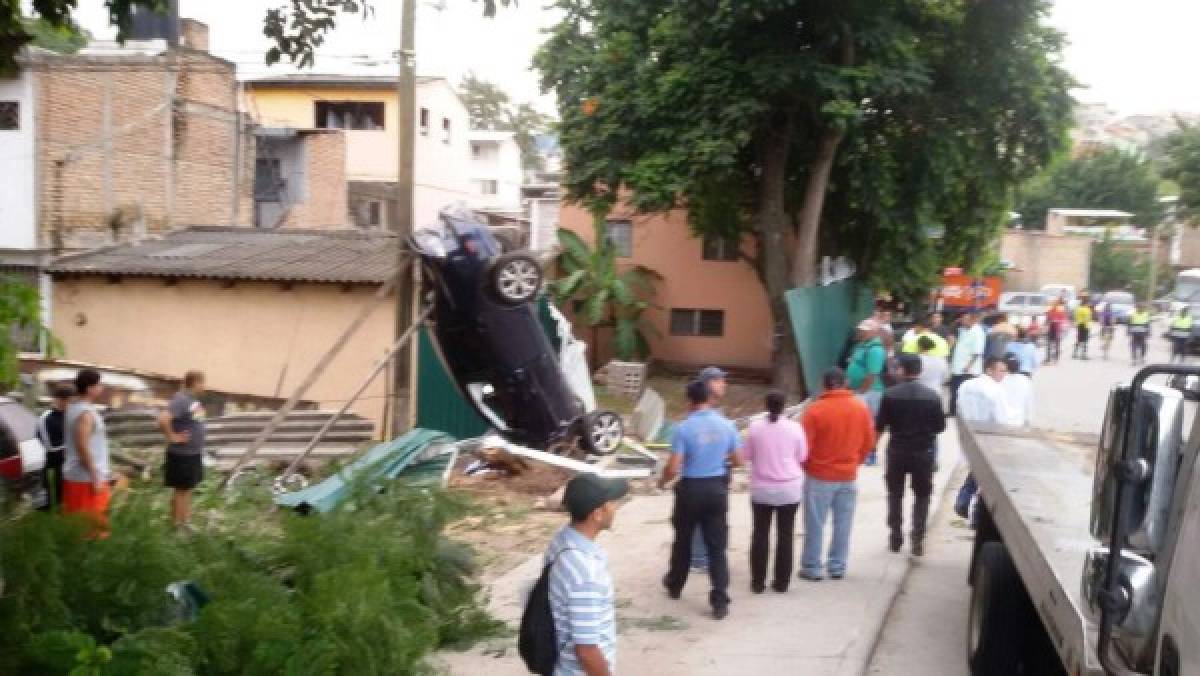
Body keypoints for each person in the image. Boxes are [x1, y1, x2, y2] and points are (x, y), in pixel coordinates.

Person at [660, 380, 742, 619]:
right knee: (716, 547)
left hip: (691, 489)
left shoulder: (683, 429)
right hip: (717, 489)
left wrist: (663, 481)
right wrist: (718, 457)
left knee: (683, 540)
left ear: (689, 402)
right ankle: (719, 600)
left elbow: (674, 467)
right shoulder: (727, 426)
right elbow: (739, 461)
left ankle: (675, 584)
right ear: (710, 399)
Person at [544, 474, 628, 676]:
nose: (615, 508)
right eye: (611, 503)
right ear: (597, 513)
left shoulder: (561, 540)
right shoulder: (586, 574)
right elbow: (587, 652)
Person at [798, 369, 876, 581]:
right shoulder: (860, 409)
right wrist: (855, 462)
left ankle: (812, 566)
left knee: (815, 523)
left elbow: (804, 447)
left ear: (824, 385)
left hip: (819, 475)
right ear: (846, 383)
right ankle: (837, 566)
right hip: (848, 475)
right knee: (843, 524)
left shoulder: (815, 411)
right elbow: (869, 441)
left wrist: (808, 466)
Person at [875, 355, 945, 556]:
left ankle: (895, 535)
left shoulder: (889, 395)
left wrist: (872, 447)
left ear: (901, 370)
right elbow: (940, 427)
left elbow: (880, 425)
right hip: (923, 452)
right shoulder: (932, 396)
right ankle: (917, 537)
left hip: (897, 450)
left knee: (895, 494)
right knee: (922, 495)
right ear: (920, 371)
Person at [743, 391, 808, 593]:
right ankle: (781, 582)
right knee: (785, 535)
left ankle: (757, 582)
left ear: (766, 405)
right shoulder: (795, 428)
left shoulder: (754, 428)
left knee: (760, 534)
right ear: (784, 406)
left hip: (761, 488)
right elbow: (803, 455)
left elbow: (747, 455)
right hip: (789, 489)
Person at [953, 358, 1013, 519]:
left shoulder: (966, 385)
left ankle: (964, 502)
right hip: (989, 438)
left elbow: (958, 409)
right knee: (985, 477)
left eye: (1005, 371)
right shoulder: (996, 390)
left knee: (976, 470)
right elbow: (1002, 419)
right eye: (1000, 370)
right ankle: (967, 505)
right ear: (989, 370)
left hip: (968, 436)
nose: (1003, 374)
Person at [688, 366, 730, 572]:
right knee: (700, 518)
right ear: (707, 385)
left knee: (715, 518)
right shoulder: (697, 413)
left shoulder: (719, 413)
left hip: (718, 473)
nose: (724, 384)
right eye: (719, 380)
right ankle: (698, 557)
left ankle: (708, 554)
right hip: (702, 475)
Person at [62, 369, 112, 537]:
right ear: (89, 388)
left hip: (85, 477)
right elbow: (82, 447)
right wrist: (95, 477)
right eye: (98, 384)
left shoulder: (76, 408)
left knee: (86, 527)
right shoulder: (85, 413)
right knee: (89, 531)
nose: (102, 387)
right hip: (86, 480)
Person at [159, 370, 207, 529]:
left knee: (187, 489)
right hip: (182, 454)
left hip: (193, 453)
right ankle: (177, 526)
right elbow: (163, 419)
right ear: (196, 383)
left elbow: (196, 424)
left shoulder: (193, 401)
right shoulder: (181, 399)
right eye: (203, 382)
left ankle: (185, 522)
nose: (205, 386)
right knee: (180, 491)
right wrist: (172, 436)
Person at [847, 319, 886, 465]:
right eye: (861, 329)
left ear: (874, 332)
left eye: (864, 330)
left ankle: (871, 452)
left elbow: (872, 374)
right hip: (859, 390)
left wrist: (862, 392)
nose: (861, 332)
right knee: (861, 423)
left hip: (870, 391)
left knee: (870, 424)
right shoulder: (861, 345)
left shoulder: (875, 349)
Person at [36, 384, 73, 511]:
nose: (71, 405)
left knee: (62, 503)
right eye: (69, 401)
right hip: (48, 466)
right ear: (59, 399)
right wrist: (72, 447)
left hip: (65, 465)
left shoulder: (69, 416)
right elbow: (49, 446)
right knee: (47, 506)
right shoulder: (46, 418)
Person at [949, 313, 986, 416]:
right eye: (962, 319)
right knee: (954, 389)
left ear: (972, 320)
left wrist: (968, 366)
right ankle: (952, 411)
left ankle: (961, 413)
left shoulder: (978, 332)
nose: (962, 321)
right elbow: (953, 332)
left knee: (964, 392)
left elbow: (977, 352)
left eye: (965, 319)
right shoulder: (964, 330)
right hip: (957, 366)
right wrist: (955, 323)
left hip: (968, 369)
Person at [1001, 355, 1035, 428]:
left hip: (1002, 419)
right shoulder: (1026, 381)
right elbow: (1029, 402)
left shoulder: (1000, 379)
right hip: (1019, 420)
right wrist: (1028, 420)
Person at [1046, 299, 1069, 363]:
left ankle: (1055, 358)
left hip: (1057, 329)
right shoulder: (1050, 311)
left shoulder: (1060, 311)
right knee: (1050, 344)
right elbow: (1047, 319)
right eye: (1053, 304)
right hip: (1052, 328)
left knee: (1056, 344)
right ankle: (1049, 358)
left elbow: (1063, 320)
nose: (1053, 305)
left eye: (1055, 304)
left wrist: (1062, 327)